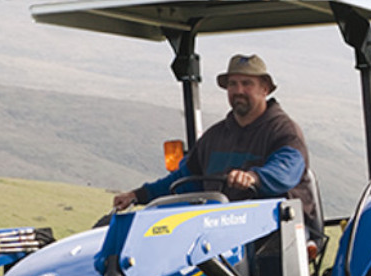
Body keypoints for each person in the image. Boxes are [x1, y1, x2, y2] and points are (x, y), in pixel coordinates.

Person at [111, 54, 319, 230]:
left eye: (247, 84)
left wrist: (253, 178)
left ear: (264, 89)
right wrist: (138, 195)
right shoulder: (215, 136)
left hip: (275, 229)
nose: (238, 91)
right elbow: (186, 179)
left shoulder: (283, 131)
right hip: (220, 230)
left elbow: (287, 170)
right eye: (233, 84)